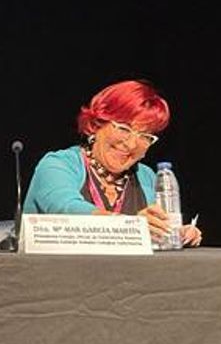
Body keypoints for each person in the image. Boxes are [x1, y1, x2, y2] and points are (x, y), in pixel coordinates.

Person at [24, 79, 203, 245]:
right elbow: (67, 209)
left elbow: (151, 231)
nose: (132, 144)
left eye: (145, 136)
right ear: (97, 124)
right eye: (124, 129)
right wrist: (133, 225)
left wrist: (173, 233)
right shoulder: (57, 165)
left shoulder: (146, 176)